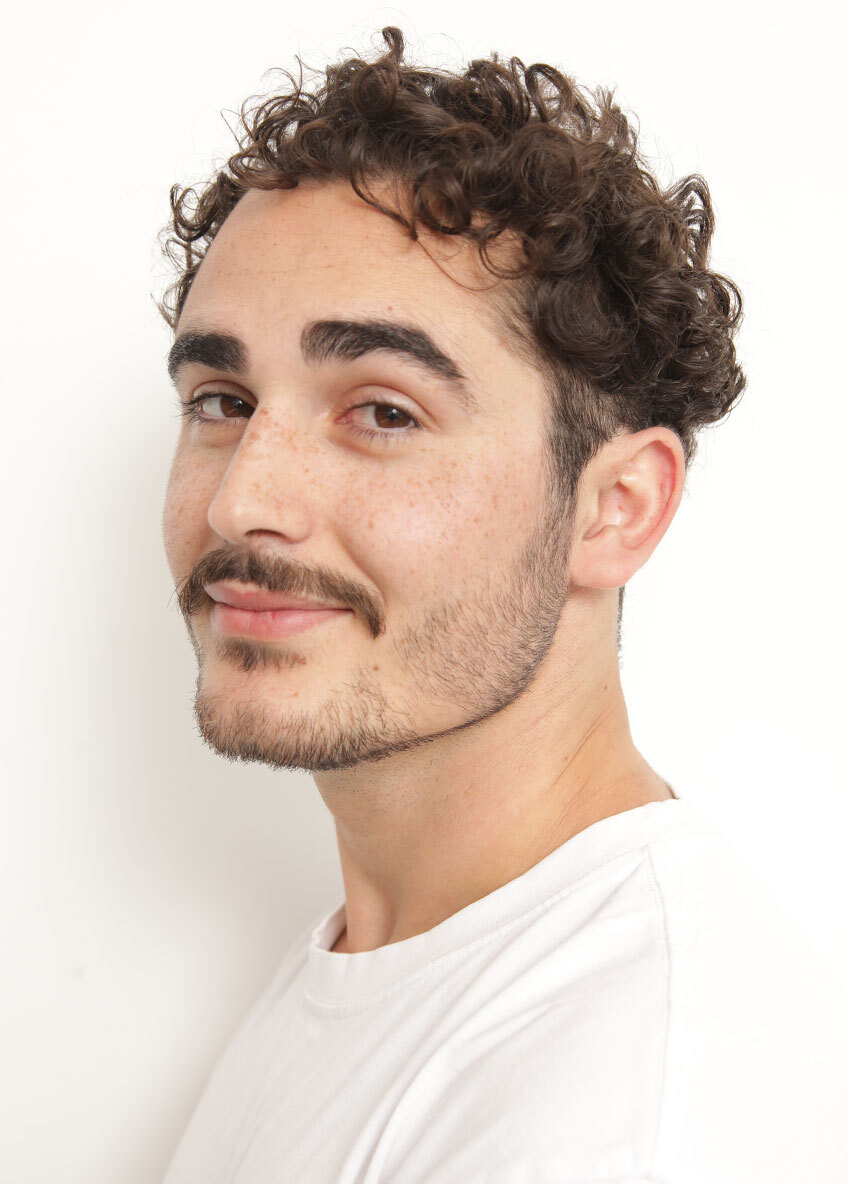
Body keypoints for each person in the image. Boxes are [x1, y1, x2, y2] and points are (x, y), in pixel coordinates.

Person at [159, 27, 847, 1184]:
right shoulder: (390, 953)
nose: (240, 502)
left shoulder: (629, 1114)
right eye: (222, 399)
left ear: (614, 507)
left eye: (382, 411)